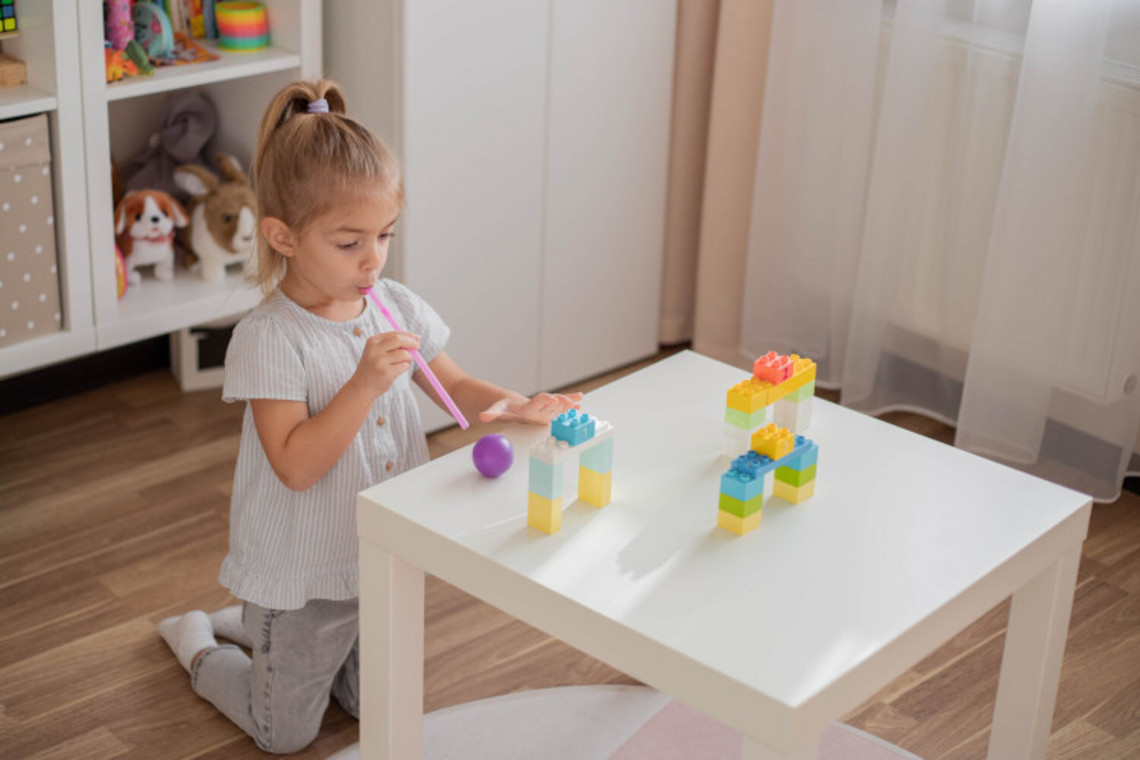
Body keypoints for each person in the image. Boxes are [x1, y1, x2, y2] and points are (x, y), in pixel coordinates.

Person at [157, 79, 581, 754]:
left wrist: (516, 406)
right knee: (282, 735)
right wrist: (362, 384)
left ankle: (255, 629)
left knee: (368, 706)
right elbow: (294, 466)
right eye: (349, 241)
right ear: (283, 236)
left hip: (381, 556)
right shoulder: (270, 338)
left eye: (384, 235)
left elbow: (457, 385)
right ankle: (205, 642)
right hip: (305, 575)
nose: (373, 258)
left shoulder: (394, 303)